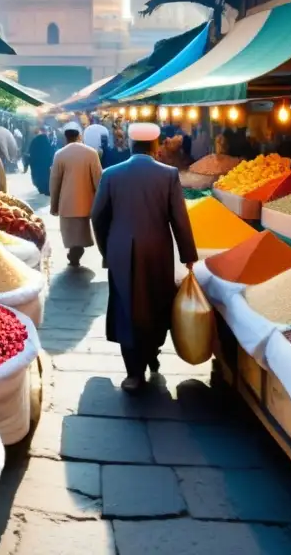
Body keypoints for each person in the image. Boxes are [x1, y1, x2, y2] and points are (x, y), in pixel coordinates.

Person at [90, 122, 197, 393]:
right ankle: (152, 354)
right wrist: (188, 255)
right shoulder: (169, 174)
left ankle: (133, 373)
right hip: (157, 250)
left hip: (120, 251)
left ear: (129, 144)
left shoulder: (111, 174)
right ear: (155, 146)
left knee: (127, 306)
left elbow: (98, 216)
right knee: (156, 302)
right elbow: (179, 219)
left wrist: (107, 250)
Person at [50, 123, 102, 267]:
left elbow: (55, 181)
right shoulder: (91, 153)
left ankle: (74, 253)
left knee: (71, 234)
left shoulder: (60, 154)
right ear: (79, 136)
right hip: (87, 202)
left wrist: (54, 204)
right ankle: (76, 252)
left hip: (67, 203)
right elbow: (98, 178)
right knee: (83, 231)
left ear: (65, 138)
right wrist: (102, 201)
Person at [26, 126, 55, 196]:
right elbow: (50, 152)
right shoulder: (46, 140)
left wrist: (29, 163)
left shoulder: (34, 140)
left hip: (36, 163)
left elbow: (30, 152)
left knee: (38, 176)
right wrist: (51, 162)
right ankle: (46, 190)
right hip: (45, 163)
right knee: (45, 176)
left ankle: (41, 189)